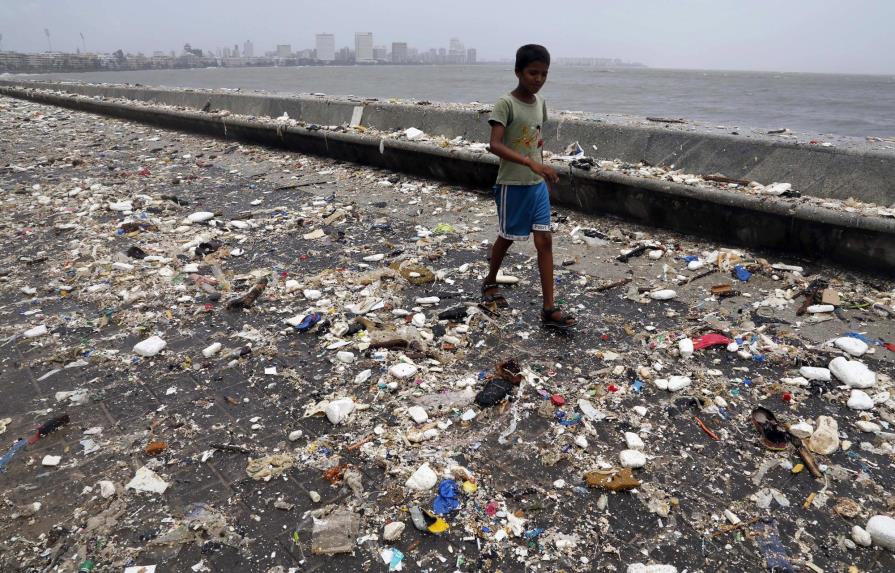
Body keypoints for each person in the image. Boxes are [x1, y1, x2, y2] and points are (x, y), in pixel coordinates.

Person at [482, 44, 576, 330]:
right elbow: (494, 144)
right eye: (533, 72)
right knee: (507, 237)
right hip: (513, 184)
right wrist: (530, 164)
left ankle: (549, 308)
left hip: (536, 185)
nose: (538, 79)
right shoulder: (505, 104)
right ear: (518, 72)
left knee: (545, 241)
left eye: (544, 74)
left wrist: (542, 169)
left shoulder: (540, 103)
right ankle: (489, 281)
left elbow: (536, 140)